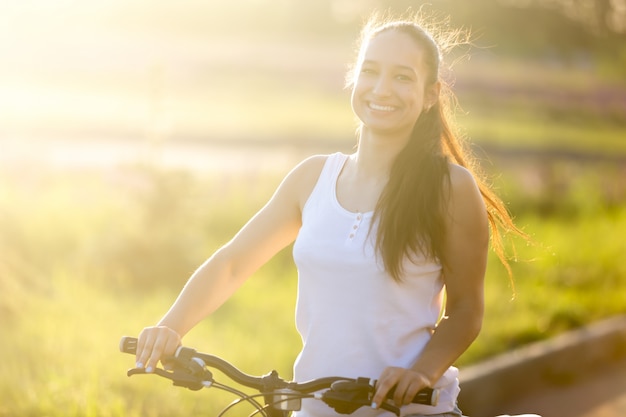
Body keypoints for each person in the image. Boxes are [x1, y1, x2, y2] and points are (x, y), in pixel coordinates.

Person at [133, 11, 524, 417]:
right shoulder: (311, 178)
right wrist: (170, 327)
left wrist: (422, 373)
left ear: (430, 94)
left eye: (402, 77)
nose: (382, 88)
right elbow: (232, 263)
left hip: (406, 410)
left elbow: (465, 311)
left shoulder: (450, 188)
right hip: (315, 407)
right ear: (353, 79)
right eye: (370, 72)